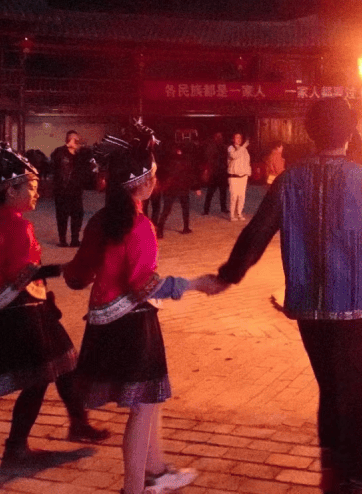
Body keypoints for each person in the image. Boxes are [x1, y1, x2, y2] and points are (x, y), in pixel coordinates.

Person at [204, 98, 362, 494]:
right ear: (350, 132)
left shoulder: (289, 181)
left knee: (332, 389)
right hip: (358, 311)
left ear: (309, 133)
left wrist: (229, 274)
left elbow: (256, 233)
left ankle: (336, 476)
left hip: (310, 313)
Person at [0, 144, 108, 467]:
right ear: (11, 190)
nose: (37, 194)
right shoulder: (16, 224)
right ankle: (17, 447)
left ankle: (77, 422)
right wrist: (65, 270)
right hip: (21, 309)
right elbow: (23, 271)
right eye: (32, 187)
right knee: (43, 374)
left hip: (14, 305)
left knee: (64, 361)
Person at [64, 123, 215, 494]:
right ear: (144, 182)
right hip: (133, 328)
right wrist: (195, 284)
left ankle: (157, 471)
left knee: (150, 402)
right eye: (154, 174)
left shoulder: (101, 220)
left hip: (102, 325)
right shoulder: (140, 226)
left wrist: (69, 272)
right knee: (143, 408)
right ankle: (136, 487)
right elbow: (144, 284)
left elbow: (77, 277)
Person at [51, 130, 87, 247]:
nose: (77, 142)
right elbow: (54, 162)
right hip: (62, 190)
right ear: (69, 140)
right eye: (75, 140)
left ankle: (75, 239)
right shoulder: (59, 152)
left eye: (78, 140)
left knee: (77, 215)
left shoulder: (80, 155)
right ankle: (62, 240)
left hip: (76, 191)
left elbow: (86, 167)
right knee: (62, 216)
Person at [155, 142, 198, 238]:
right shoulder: (186, 161)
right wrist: (195, 187)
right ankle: (186, 228)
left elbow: (163, 174)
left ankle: (160, 231)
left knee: (166, 210)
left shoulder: (167, 161)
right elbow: (190, 175)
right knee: (185, 208)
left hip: (171, 188)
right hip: (182, 188)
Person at [201, 132, 229, 216]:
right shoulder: (212, 147)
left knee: (222, 192)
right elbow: (208, 158)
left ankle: (223, 208)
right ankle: (206, 210)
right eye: (217, 136)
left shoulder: (223, 147)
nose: (219, 138)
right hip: (214, 173)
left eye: (220, 136)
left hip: (222, 172)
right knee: (210, 192)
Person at [227, 133, 251, 221]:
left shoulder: (244, 150)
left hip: (243, 176)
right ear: (233, 139)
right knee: (234, 196)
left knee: (241, 196)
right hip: (234, 177)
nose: (239, 139)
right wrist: (244, 146)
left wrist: (248, 172)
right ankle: (232, 215)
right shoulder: (230, 148)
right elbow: (234, 155)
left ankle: (239, 213)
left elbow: (247, 161)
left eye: (240, 137)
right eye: (236, 137)